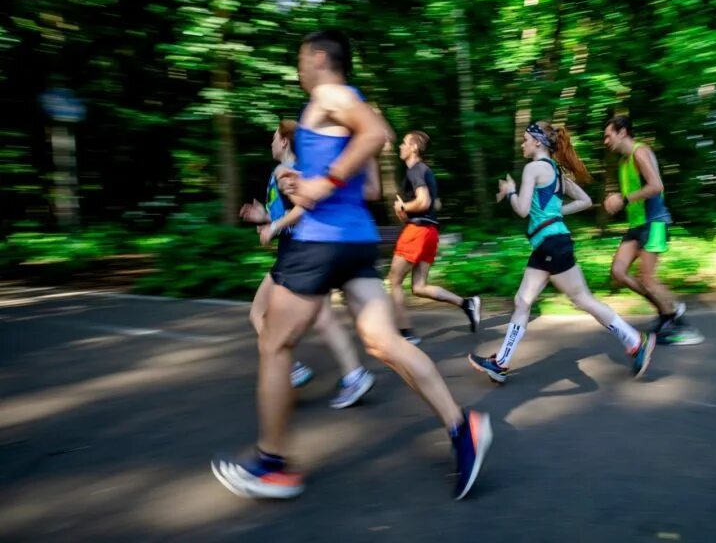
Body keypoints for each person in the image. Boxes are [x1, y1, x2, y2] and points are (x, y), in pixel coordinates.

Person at [212, 30, 492, 501]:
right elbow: (369, 193)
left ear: (320, 58)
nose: (298, 70)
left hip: (319, 242)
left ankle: (273, 464)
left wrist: (319, 185)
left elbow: (374, 137)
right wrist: (305, 182)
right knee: (384, 344)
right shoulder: (354, 104)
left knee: (276, 343)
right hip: (356, 241)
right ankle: (464, 428)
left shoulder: (328, 94)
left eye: (301, 60)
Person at [468, 120, 656, 383]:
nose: (522, 144)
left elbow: (522, 209)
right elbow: (585, 201)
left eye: (525, 139)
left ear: (537, 142)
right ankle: (501, 362)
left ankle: (635, 341)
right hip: (549, 244)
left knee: (583, 300)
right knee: (523, 300)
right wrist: (554, 215)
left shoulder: (534, 168)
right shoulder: (556, 171)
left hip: (551, 245)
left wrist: (510, 192)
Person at [239, 119, 376, 408]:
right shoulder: (298, 170)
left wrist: (273, 228)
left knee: (258, 313)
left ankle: (291, 368)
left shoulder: (283, 171)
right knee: (323, 317)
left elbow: (304, 208)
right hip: (308, 248)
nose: (271, 143)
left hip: (296, 253)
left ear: (285, 142)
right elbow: (288, 211)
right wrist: (264, 218)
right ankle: (354, 375)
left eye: (274, 138)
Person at [602, 115, 703, 346]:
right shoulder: (623, 162)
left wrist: (624, 199)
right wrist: (616, 202)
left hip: (655, 222)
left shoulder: (640, 152)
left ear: (622, 132)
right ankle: (666, 310)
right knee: (618, 272)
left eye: (608, 136)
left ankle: (680, 324)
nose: (606, 141)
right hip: (637, 226)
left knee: (647, 278)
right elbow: (634, 195)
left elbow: (656, 186)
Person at [388, 130, 481, 345]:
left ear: (413, 148)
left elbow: (424, 202)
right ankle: (467, 304)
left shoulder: (416, 170)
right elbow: (427, 207)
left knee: (394, 281)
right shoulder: (425, 171)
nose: (400, 147)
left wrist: (403, 206)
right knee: (419, 286)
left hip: (417, 232)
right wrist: (404, 212)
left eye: (403, 143)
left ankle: (406, 334)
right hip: (429, 232)